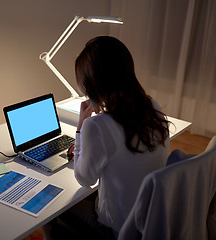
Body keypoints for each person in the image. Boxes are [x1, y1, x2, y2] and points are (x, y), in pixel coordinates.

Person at [43, 36, 170, 240]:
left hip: (118, 229)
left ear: (92, 84)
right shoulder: (153, 107)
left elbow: (84, 179)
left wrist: (81, 127)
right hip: (149, 219)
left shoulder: (97, 126)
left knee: (51, 208)